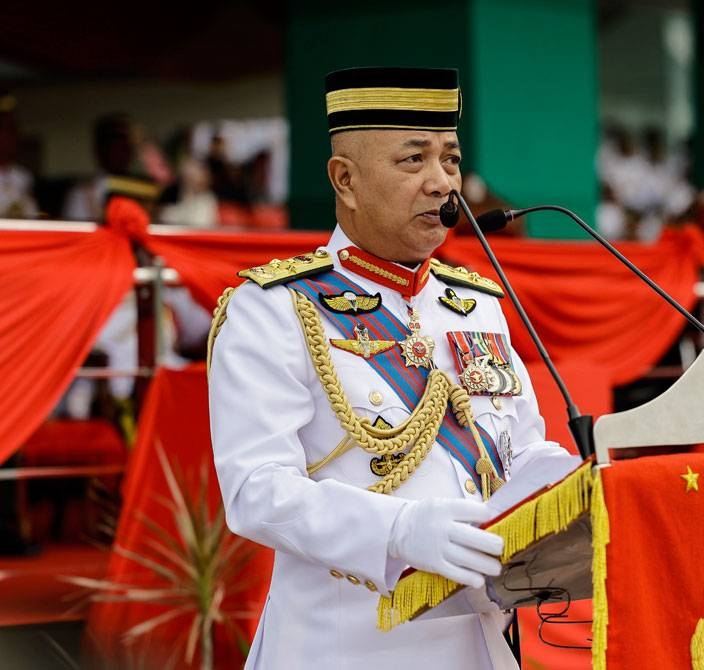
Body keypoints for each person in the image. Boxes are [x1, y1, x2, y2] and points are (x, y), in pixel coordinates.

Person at [208, 66, 571, 669]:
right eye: (413, 160)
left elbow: (520, 451)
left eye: (450, 160)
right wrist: (399, 530)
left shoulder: (474, 302)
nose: (442, 183)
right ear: (345, 180)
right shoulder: (273, 309)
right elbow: (257, 491)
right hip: (346, 645)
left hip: (480, 642)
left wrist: (579, 486)